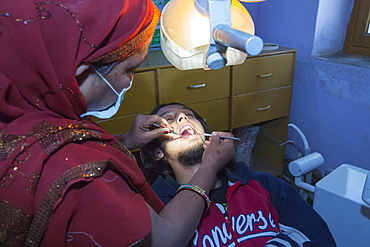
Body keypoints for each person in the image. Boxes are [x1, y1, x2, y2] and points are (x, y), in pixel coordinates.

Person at [0, 1, 235, 246]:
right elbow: (164, 239)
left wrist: (124, 142)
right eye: (130, 70)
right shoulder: (80, 174)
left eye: (187, 114)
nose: (182, 118)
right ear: (80, 74)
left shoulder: (29, 117)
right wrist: (208, 167)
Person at [140, 103, 337, 247]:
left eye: (189, 115)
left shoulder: (266, 185)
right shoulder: (158, 210)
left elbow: (318, 238)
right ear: (158, 152)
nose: (182, 118)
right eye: (169, 118)